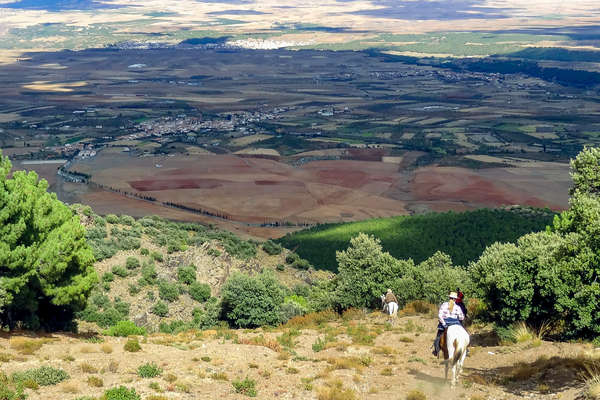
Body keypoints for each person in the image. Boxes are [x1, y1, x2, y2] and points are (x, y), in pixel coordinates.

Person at [432, 291, 465, 357]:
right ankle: (466, 349)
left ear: (449, 298)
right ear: (455, 299)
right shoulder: (458, 307)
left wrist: (444, 323)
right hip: (455, 322)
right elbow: (461, 317)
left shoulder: (444, 305)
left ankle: (436, 350)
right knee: (463, 334)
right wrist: (459, 318)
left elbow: (440, 315)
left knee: (438, 336)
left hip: (445, 322)